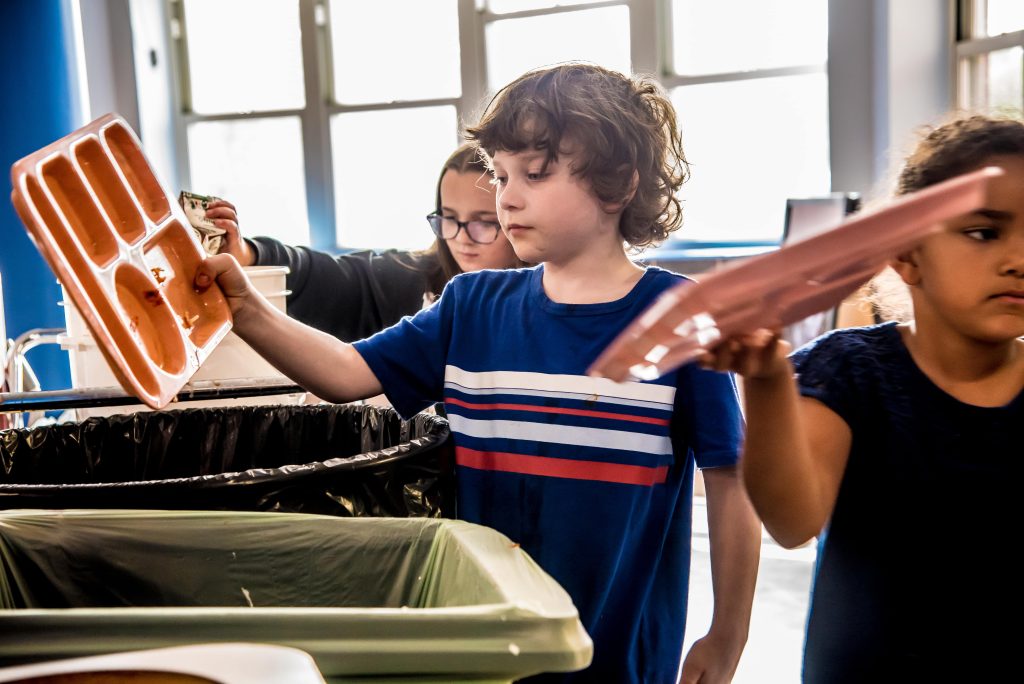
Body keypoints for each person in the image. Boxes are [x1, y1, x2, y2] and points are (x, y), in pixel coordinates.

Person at [196, 63, 761, 683]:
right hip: (486, 651)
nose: (506, 197)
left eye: (535, 175)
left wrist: (727, 635)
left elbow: (733, 484)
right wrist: (246, 308)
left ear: (618, 184)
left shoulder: (680, 317)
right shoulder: (472, 306)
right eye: (501, 174)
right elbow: (344, 373)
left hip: (618, 658)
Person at [704, 114, 1024, 682]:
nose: (1019, 259)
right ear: (906, 254)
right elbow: (793, 520)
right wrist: (769, 382)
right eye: (984, 232)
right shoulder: (851, 371)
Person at [201, 143, 522, 341]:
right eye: (449, 218)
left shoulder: (547, 295)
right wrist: (248, 253)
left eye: (483, 223)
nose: (462, 239)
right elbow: (320, 273)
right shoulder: (409, 279)